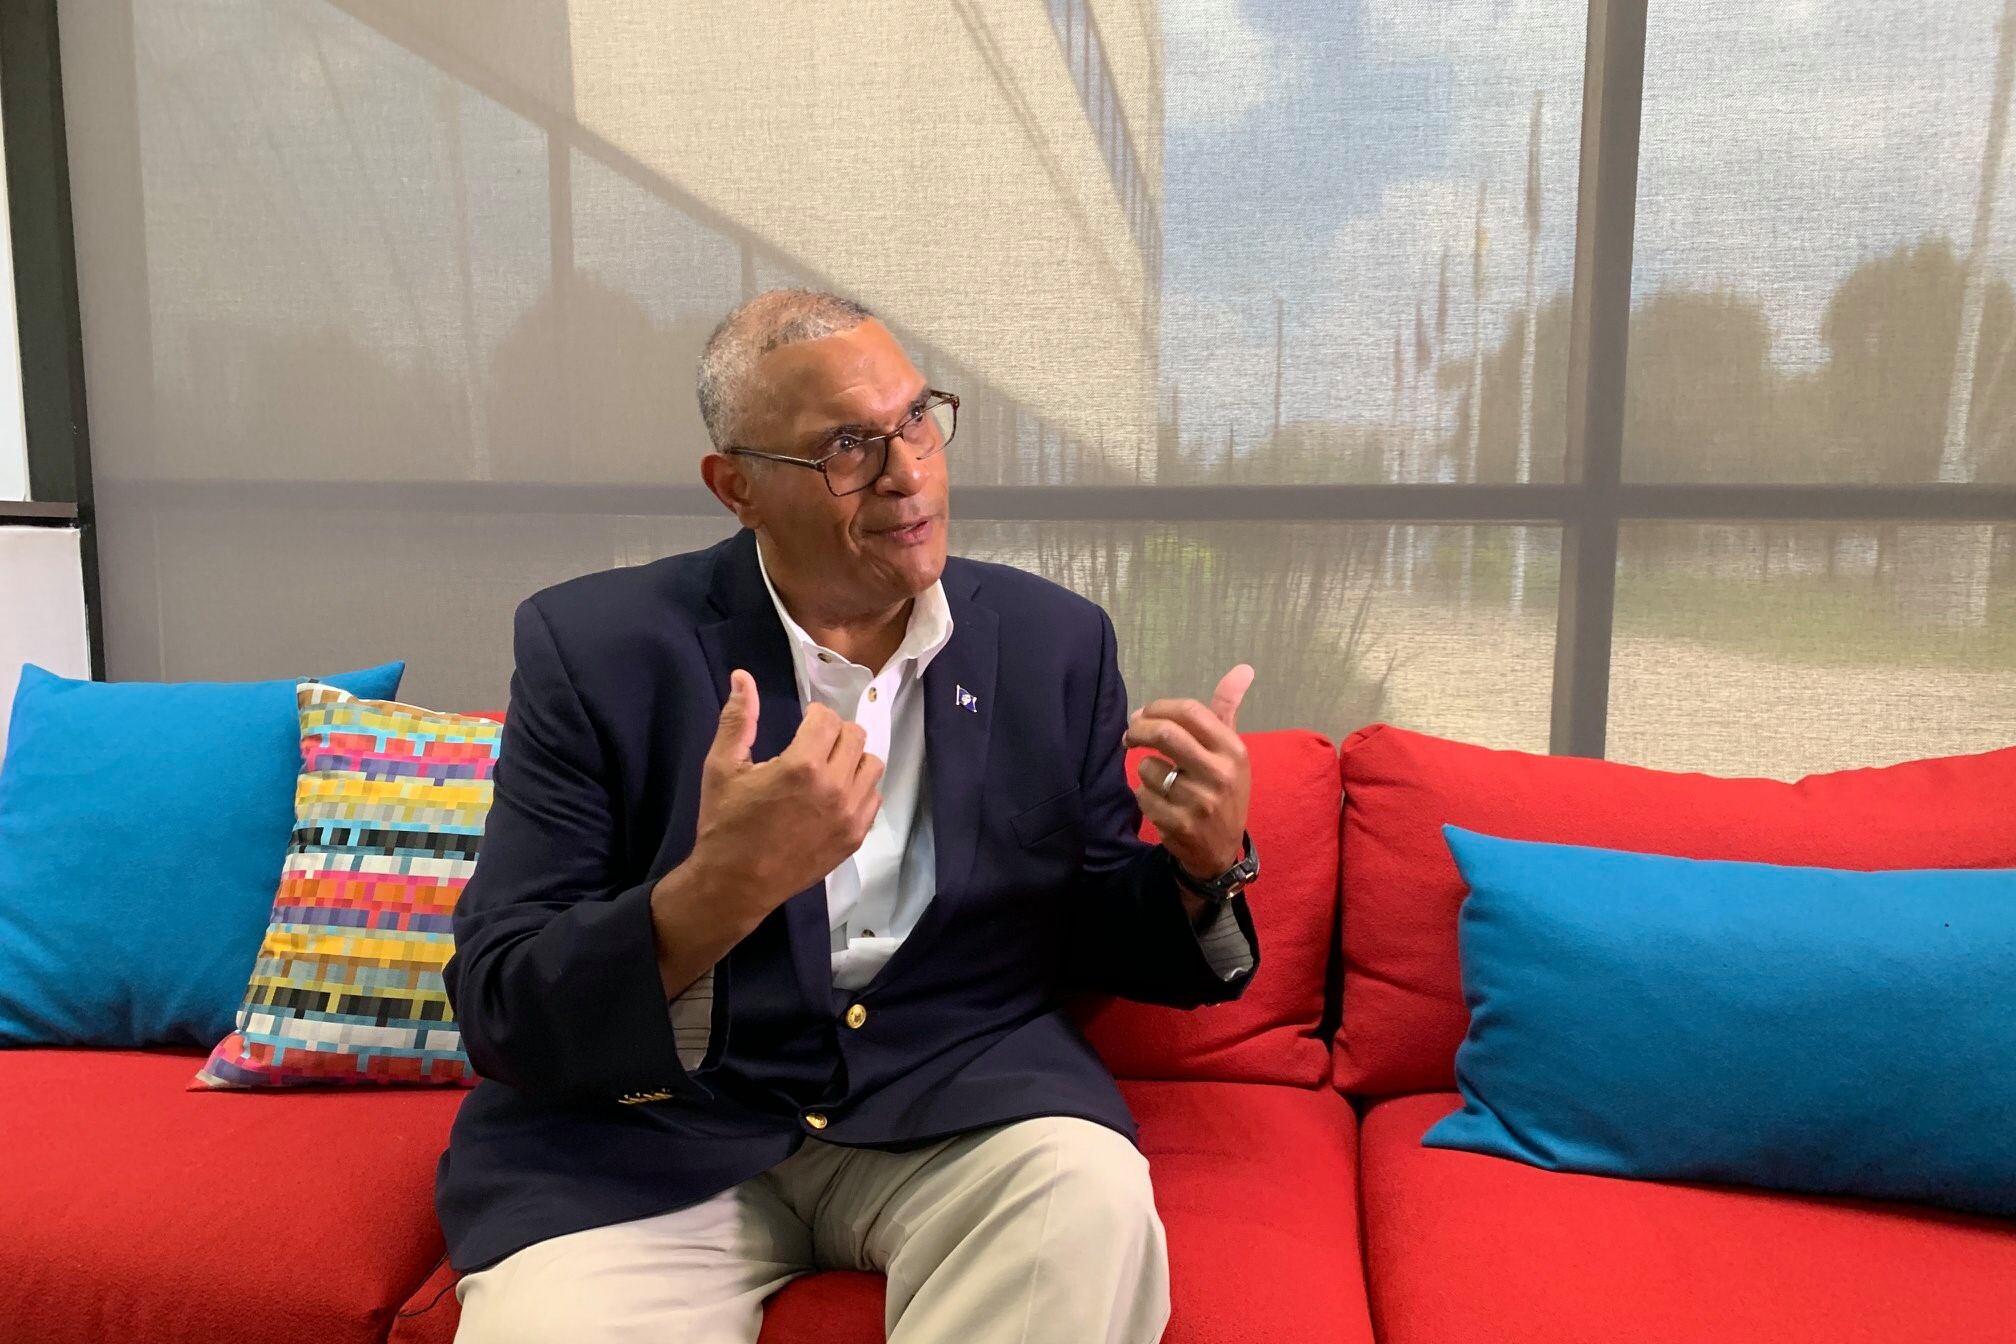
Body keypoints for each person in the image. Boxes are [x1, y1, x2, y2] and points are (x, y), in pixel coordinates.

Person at [439, 289, 1262, 1344]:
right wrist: (717, 890)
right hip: (651, 1134)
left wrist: (1205, 865)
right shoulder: (595, 650)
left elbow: (1095, 919)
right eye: (845, 445)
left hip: (957, 1106)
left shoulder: (1053, 642)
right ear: (736, 487)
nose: (907, 472)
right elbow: (501, 1005)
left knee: (1087, 1203)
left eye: (917, 418)